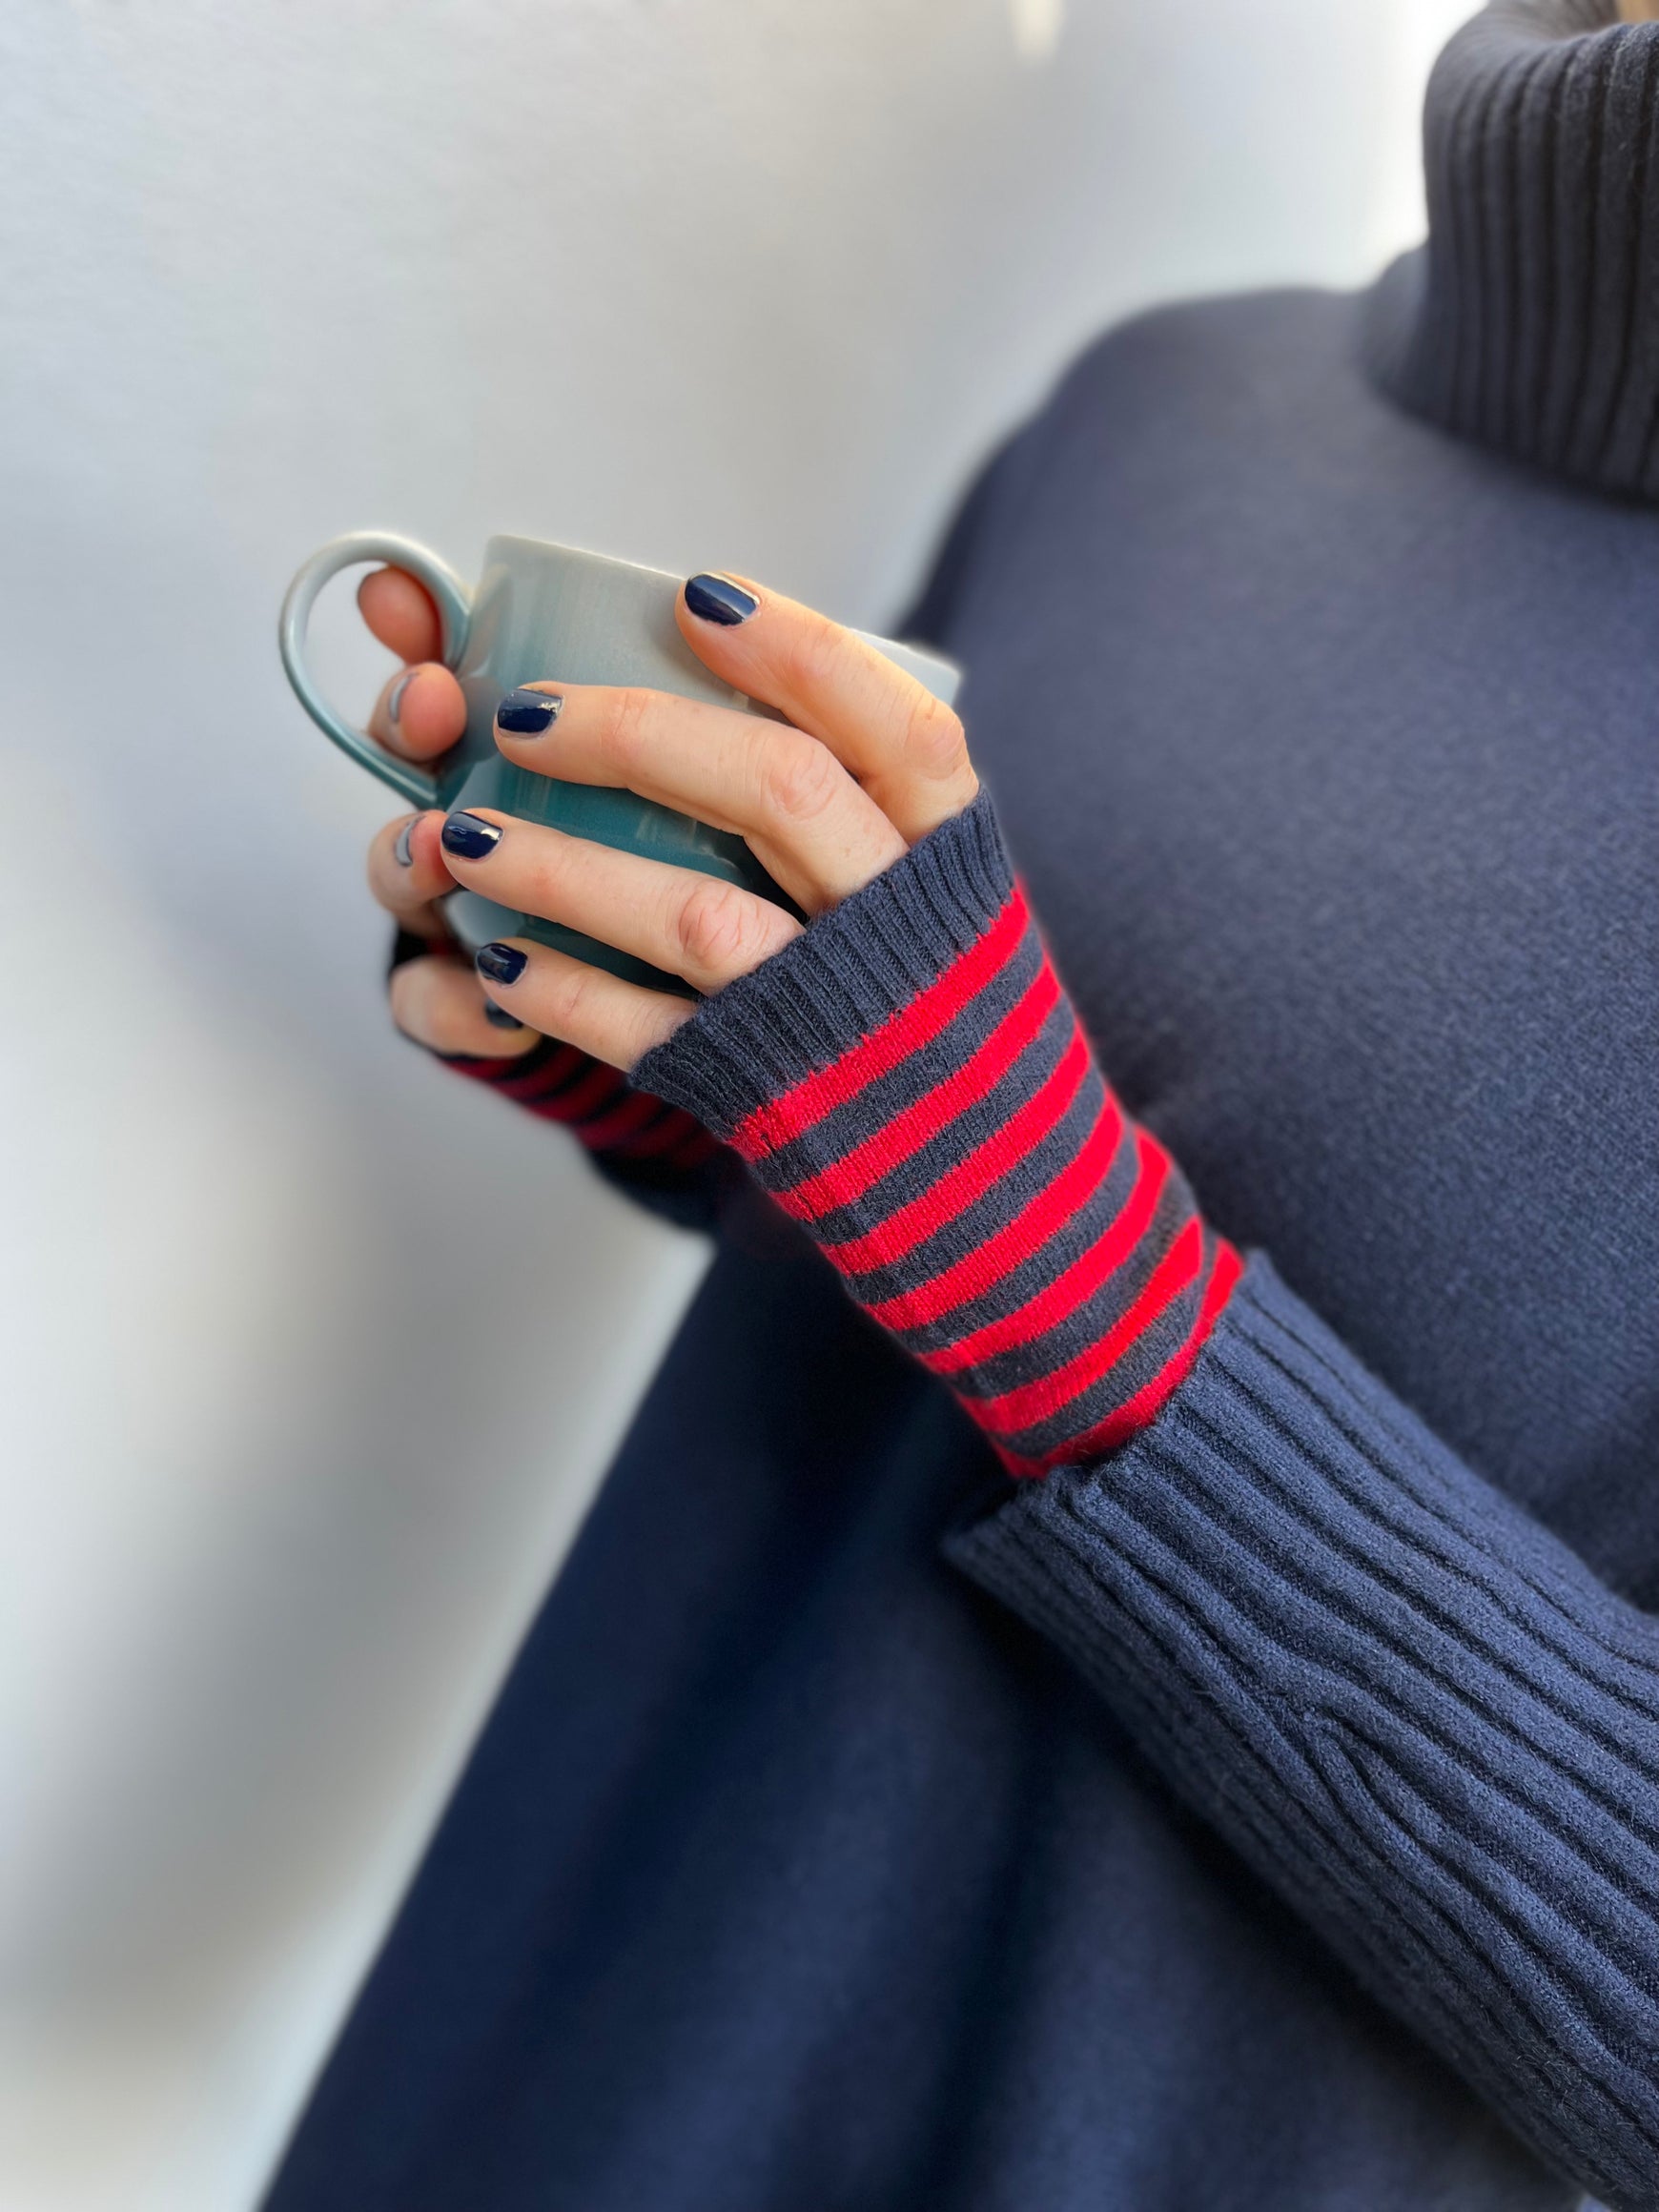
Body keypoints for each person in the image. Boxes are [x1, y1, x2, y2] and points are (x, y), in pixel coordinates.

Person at [265, 3, 1659, 2207]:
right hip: (531, 2041)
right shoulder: (1170, 402)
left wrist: (1053, 1247)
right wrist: (669, 1050)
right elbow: (889, 1230)